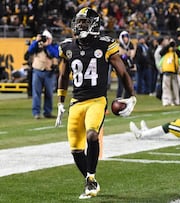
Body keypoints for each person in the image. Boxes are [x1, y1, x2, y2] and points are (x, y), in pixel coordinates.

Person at [54, 8, 136, 199]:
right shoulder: (67, 46)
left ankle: (90, 178)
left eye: (84, 22)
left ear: (94, 24)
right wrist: (60, 102)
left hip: (97, 101)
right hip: (76, 102)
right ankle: (90, 180)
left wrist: (131, 95)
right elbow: (63, 76)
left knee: (92, 135)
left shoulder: (105, 44)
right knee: (75, 149)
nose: (80, 25)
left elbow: (122, 72)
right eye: (79, 21)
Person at [27, 29, 59, 119]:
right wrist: (36, 41)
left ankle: (47, 112)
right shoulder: (37, 45)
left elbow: (56, 54)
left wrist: (47, 45)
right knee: (36, 93)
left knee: (49, 93)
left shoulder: (53, 46)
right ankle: (36, 113)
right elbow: (30, 50)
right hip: (37, 71)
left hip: (49, 72)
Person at [117, 30, 136, 98]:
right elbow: (120, 53)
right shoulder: (119, 45)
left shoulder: (130, 44)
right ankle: (118, 97)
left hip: (129, 67)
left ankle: (127, 97)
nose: (125, 39)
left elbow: (132, 55)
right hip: (121, 67)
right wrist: (126, 53)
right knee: (121, 84)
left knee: (128, 83)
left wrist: (125, 53)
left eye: (126, 37)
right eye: (124, 37)